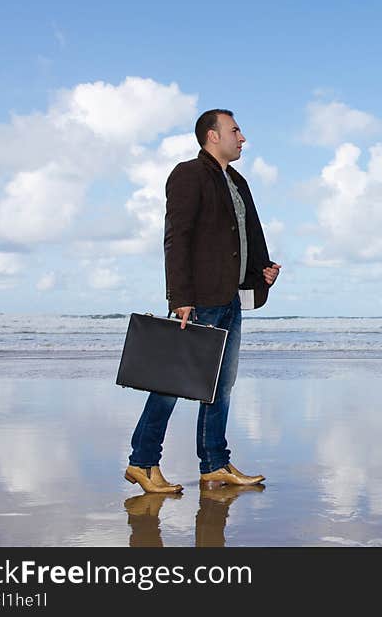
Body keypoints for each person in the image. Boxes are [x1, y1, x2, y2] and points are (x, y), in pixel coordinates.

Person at [124, 108, 281, 493]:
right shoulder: (189, 174)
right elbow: (177, 238)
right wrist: (180, 297)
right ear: (212, 136)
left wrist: (260, 272)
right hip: (199, 299)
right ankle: (142, 463)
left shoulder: (237, 181)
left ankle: (214, 464)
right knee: (173, 383)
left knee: (220, 386)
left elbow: (238, 239)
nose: (242, 138)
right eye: (235, 130)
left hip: (229, 297)